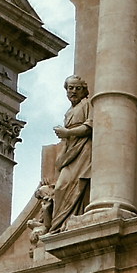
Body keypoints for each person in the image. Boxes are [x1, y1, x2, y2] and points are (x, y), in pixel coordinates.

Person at [41, 76, 94, 232]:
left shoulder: (88, 104)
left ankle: (67, 221)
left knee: (71, 184)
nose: (73, 91)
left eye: (77, 88)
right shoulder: (69, 111)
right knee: (60, 187)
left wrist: (67, 132)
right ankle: (59, 225)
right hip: (71, 149)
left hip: (83, 147)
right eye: (70, 88)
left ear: (84, 90)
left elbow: (88, 127)